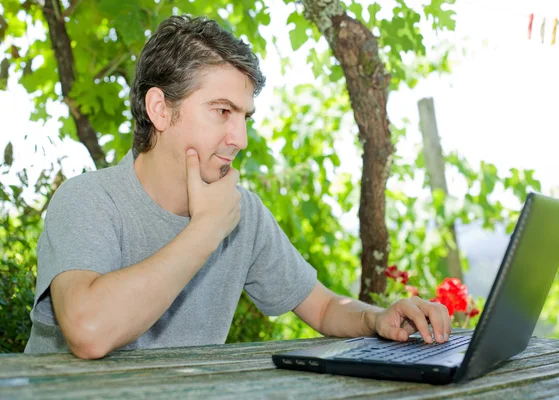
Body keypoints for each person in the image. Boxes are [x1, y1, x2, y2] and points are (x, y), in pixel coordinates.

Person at [24, 15, 451, 359]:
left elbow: (322, 306)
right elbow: (88, 331)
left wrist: (378, 318)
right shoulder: (88, 200)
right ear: (160, 109)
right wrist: (206, 230)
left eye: (244, 117)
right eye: (222, 111)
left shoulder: (241, 212)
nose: (240, 139)